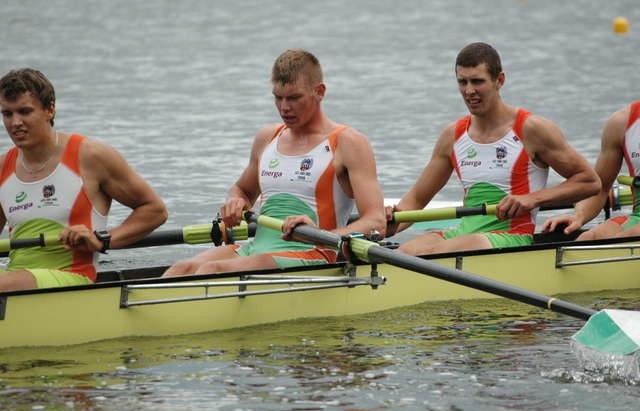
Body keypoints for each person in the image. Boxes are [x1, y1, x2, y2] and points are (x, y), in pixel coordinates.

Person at [164, 49, 385, 276]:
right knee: (182, 268)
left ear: (319, 92)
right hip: (258, 248)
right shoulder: (267, 138)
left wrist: (323, 234)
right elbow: (242, 189)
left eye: (294, 98)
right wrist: (235, 201)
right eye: (278, 97)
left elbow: (376, 221)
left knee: (214, 269)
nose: (284, 107)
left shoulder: (348, 142)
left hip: (313, 252)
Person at [386, 42, 600, 255]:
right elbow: (417, 198)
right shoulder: (452, 135)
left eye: (477, 82)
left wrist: (533, 199)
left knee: (433, 254)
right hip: (465, 232)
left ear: (500, 80)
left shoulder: (532, 130)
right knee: (404, 252)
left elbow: (589, 181)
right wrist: (392, 221)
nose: (469, 91)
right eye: (462, 82)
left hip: (511, 236)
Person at [0, 68, 168, 292]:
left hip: (72, 278)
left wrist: (102, 240)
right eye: (7, 114)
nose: (15, 122)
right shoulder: (3, 166)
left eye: (24, 111)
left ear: (49, 109)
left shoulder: (91, 155)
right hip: (14, 276)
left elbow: (155, 210)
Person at [542, 102, 640, 239]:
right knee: (588, 238)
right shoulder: (621, 122)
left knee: (630, 236)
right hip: (638, 218)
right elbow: (600, 188)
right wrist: (577, 217)